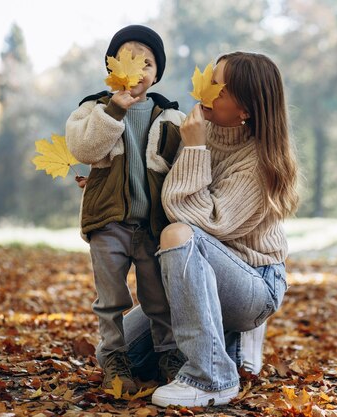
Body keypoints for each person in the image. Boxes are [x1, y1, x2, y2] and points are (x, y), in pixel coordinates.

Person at [121, 51, 300, 408]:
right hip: (199, 273)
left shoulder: (258, 166)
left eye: (218, 84)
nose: (206, 88)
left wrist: (195, 148)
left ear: (245, 109)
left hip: (252, 281)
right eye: (209, 77)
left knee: (179, 235)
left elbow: (193, 219)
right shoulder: (201, 131)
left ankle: (212, 377)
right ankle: (226, 339)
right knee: (119, 354)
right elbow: (163, 190)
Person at [65, 24, 185, 394]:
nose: (138, 69)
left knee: (158, 297)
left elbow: (183, 167)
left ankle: (168, 354)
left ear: (156, 74)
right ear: (111, 65)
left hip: (151, 225)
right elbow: (84, 150)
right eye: (129, 60)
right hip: (108, 223)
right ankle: (113, 357)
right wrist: (113, 110)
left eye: (147, 63)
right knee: (111, 298)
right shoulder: (93, 108)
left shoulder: (170, 116)